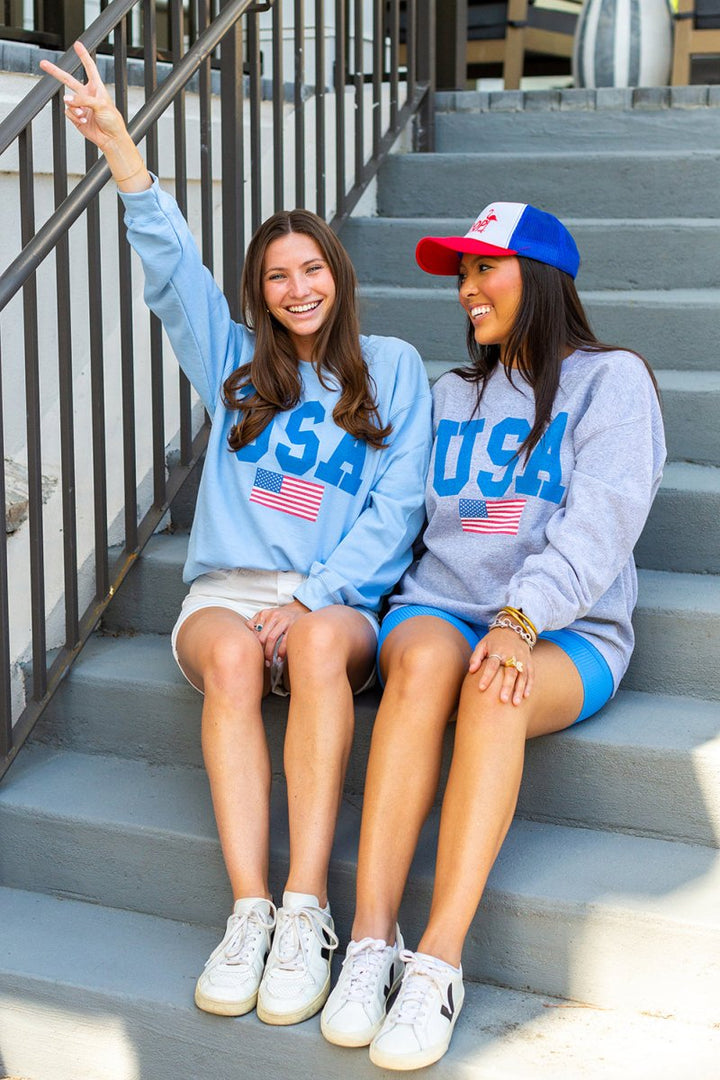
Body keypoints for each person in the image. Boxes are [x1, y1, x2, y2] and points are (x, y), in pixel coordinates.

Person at [41, 42, 432, 1027]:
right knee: (229, 660)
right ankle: (250, 911)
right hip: (227, 595)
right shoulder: (237, 369)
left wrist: (313, 597)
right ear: (260, 294)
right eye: (276, 278)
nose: (297, 289)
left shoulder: (392, 368)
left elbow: (396, 508)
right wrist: (122, 151)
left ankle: (307, 910)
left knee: (316, 645)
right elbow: (173, 270)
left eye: (312, 269)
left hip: (333, 599)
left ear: (337, 273)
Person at [320, 202, 666, 1069]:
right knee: (424, 661)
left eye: (485, 269)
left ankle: (437, 962)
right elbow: (393, 512)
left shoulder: (611, 380)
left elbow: (602, 522)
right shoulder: (449, 394)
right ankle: (369, 942)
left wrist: (519, 618)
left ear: (539, 277)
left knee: (494, 687)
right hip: (441, 607)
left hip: (569, 628)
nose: (467, 289)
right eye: (462, 274)